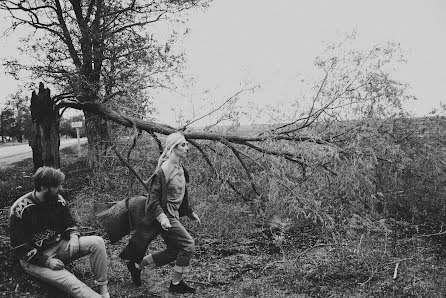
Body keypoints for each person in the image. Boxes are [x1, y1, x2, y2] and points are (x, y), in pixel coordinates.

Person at [9, 166, 110, 298]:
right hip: (35, 258)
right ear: (44, 187)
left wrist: (74, 236)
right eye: (57, 186)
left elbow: (69, 222)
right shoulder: (20, 209)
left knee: (97, 242)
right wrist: (47, 261)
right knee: (73, 283)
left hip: (60, 246)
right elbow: (20, 248)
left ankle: (104, 291)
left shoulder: (58, 200)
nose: (60, 189)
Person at [119, 132, 201, 294]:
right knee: (188, 245)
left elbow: (182, 194)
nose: (187, 147)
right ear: (173, 148)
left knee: (173, 252)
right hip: (165, 216)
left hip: (173, 215)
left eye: (186, 144)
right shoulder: (163, 171)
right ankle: (176, 284)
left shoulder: (181, 168)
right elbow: (152, 201)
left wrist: (190, 213)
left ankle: (136, 266)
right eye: (183, 145)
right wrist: (162, 217)